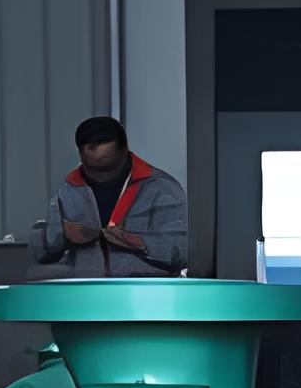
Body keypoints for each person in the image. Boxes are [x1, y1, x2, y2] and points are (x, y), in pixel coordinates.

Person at [28, 116, 188, 278]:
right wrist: (63, 235)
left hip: (143, 290)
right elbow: (39, 255)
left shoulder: (161, 188)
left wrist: (132, 241)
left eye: (103, 141)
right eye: (89, 144)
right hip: (86, 289)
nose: (94, 149)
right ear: (80, 152)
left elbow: (184, 253)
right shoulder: (69, 190)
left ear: (124, 148)